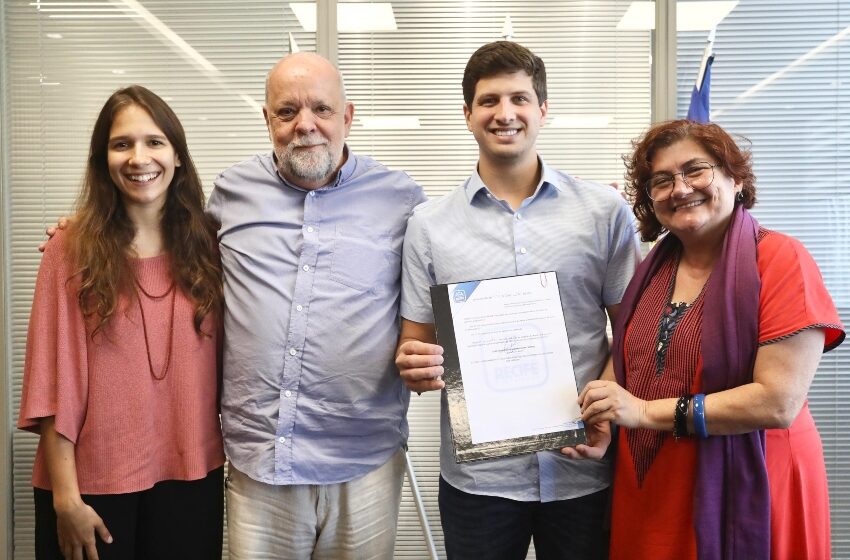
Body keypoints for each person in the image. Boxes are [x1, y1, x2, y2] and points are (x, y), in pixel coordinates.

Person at [395, 41, 640, 560]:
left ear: (543, 110)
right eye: (488, 101)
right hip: (478, 480)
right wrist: (416, 367)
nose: (504, 114)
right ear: (467, 115)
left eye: (519, 99)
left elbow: (633, 334)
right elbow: (415, 346)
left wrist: (606, 401)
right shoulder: (429, 226)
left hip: (583, 468)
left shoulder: (604, 212)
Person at [577, 119, 845, 559]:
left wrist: (643, 412)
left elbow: (777, 402)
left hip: (754, 479)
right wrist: (604, 417)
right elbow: (635, 358)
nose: (679, 189)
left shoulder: (779, 260)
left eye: (695, 170)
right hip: (654, 482)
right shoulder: (652, 270)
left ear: (735, 177)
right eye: (661, 181)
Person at [208, 52, 426, 559]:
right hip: (261, 462)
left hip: (365, 461)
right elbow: (166, 249)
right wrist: (85, 236)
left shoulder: (401, 198)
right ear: (267, 120)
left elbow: (454, 270)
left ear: (347, 117)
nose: (305, 125)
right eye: (287, 112)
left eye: (322, 110)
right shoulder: (229, 194)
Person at [18, 85, 225, 560]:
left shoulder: (213, 247)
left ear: (177, 156)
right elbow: (52, 383)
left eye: (154, 142)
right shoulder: (69, 251)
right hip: (91, 485)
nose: (139, 157)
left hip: (191, 477)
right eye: (121, 143)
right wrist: (66, 499)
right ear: (103, 158)